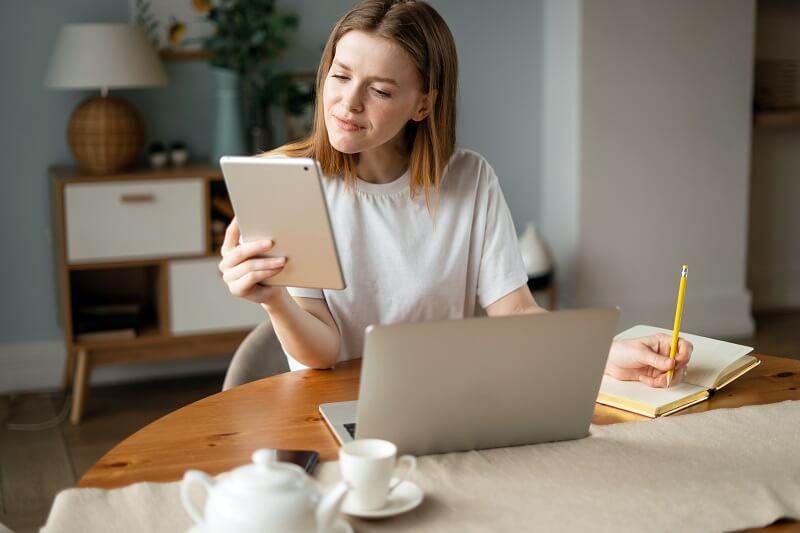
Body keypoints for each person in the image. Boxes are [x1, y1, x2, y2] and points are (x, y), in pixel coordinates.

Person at [218, 0, 692, 387]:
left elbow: (515, 312)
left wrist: (606, 353)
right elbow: (323, 351)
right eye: (340, 76)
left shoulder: (470, 178)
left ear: (423, 105)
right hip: (332, 402)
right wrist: (274, 300)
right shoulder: (287, 182)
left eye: (380, 90)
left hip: (442, 400)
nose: (349, 102)